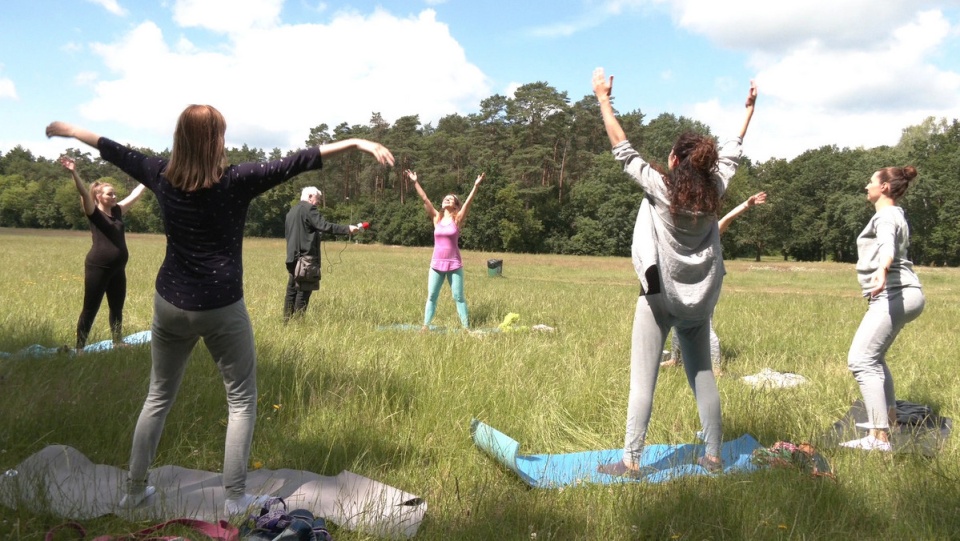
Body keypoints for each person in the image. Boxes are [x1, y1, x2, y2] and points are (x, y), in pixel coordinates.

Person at [46, 106, 394, 515]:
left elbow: (112, 149)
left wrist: (70, 130)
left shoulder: (161, 174)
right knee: (242, 400)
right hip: (221, 306)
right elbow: (300, 160)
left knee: (157, 397)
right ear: (215, 142)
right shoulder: (238, 180)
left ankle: (134, 491)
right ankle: (234, 499)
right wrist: (356, 142)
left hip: (170, 302)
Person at [591, 68, 757, 477]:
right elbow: (733, 153)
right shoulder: (714, 193)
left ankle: (631, 461)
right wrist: (748, 112)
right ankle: (714, 457)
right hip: (698, 305)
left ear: (674, 160)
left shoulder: (662, 190)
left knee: (642, 382)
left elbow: (623, 149)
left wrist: (602, 99)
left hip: (658, 300)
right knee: (702, 376)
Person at [841, 166, 923, 452]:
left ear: (885, 187)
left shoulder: (886, 215)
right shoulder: (894, 213)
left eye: (871, 181)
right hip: (903, 294)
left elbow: (887, 243)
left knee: (862, 360)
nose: (867, 186)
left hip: (895, 293)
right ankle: (890, 423)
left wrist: (882, 269)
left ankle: (878, 438)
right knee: (875, 358)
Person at [662, 191, 768, 374]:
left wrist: (746, 204)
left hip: (705, 286)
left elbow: (727, 218)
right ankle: (675, 358)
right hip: (682, 285)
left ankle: (717, 369)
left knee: (705, 324)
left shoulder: (710, 234)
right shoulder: (682, 237)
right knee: (678, 321)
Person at [59, 156, 146, 351]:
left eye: (114, 194)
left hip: (118, 268)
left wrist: (148, 178)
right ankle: (79, 348)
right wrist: (74, 172)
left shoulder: (117, 211)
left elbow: (135, 194)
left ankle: (117, 342)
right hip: (98, 267)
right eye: (109, 194)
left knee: (116, 307)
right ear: (98, 197)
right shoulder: (94, 213)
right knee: (90, 308)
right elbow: (83, 191)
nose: (114, 197)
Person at [406, 169, 484, 331]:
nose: (446, 200)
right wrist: (415, 182)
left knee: (458, 297)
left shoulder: (457, 219)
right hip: (436, 264)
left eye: (451, 199)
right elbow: (425, 199)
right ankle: (425, 327)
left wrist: (475, 186)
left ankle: (466, 328)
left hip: (454, 264)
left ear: (455, 205)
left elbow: (469, 202)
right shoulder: (437, 218)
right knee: (432, 296)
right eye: (445, 198)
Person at [284, 186, 359, 322]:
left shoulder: (291, 211)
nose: (318, 204)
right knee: (303, 291)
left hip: (292, 257)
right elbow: (324, 226)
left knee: (292, 291)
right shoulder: (309, 209)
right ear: (310, 197)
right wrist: (347, 229)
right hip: (306, 258)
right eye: (317, 200)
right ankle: (298, 324)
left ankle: (286, 322)